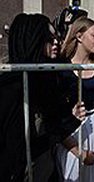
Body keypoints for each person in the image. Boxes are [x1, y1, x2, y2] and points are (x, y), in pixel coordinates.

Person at [0, 13, 61, 181]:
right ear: (33, 39)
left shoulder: (45, 79)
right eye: (49, 37)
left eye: (56, 36)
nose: (56, 41)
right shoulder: (11, 86)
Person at [56, 17, 94, 182]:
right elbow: (56, 117)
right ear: (79, 36)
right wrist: (79, 153)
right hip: (71, 136)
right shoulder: (61, 68)